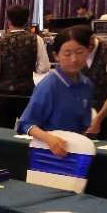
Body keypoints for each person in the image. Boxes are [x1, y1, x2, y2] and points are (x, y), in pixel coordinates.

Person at [17, 26, 93, 157]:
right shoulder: (49, 85)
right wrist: (49, 139)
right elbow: (25, 124)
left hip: (76, 153)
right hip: (49, 153)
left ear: (88, 52)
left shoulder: (87, 85)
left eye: (79, 52)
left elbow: (85, 126)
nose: (74, 59)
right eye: (67, 54)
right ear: (56, 56)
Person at [0, 5, 50, 128]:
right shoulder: (36, 39)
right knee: (28, 131)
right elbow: (44, 67)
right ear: (26, 21)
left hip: (4, 93)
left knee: (2, 132)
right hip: (26, 92)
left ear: (9, 21)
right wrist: (31, 67)